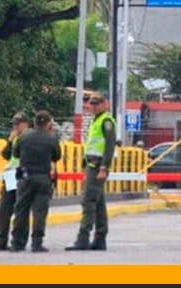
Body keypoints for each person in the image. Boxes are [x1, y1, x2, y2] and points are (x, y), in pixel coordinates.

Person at [66, 96, 116, 251]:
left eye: (96, 104)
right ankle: (100, 239)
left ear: (104, 104)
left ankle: (83, 238)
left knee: (88, 202)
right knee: (99, 204)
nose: (92, 107)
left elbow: (109, 147)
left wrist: (104, 168)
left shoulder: (106, 121)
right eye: (91, 105)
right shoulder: (97, 120)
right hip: (91, 164)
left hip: (97, 166)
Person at [10, 110, 62, 252]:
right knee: (40, 212)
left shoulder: (24, 137)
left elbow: (15, 153)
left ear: (34, 122)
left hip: (25, 177)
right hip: (43, 178)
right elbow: (57, 156)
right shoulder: (51, 139)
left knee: (21, 210)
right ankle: (37, 243)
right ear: (48, 124)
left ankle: (17, 242)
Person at [0, 112, 30, 251]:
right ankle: (1, 240)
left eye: (18, 124)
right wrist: (10, 141)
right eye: (14, 124)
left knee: (20, 208)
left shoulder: (28, 137)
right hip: (11, 174)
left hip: (22, 174)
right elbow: (6, 155)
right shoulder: (15, 138)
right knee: (4, 208)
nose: (15, 127)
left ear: (25, 124)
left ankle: (18, 240)